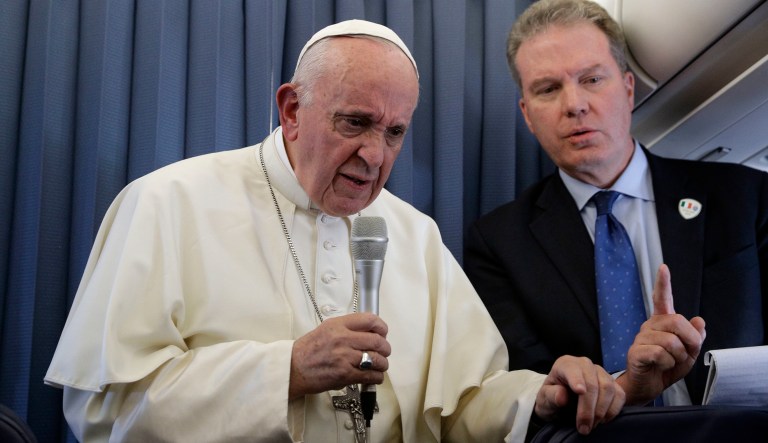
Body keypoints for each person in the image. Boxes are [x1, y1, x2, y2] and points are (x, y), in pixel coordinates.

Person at [45, 19, 624, 442]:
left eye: (395, 132)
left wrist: (537, 396)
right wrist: (288, 370)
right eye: (355, 123)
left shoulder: (414, 235)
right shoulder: (167, 203)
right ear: (292, 110)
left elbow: (465, 402)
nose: (374, 155)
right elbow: (103, 410)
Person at [464, 0, 767, 409]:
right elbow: (526, 392)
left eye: (591, 79)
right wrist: (623, 387)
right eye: (548, 89)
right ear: (528, 116)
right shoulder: (499, 242)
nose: (574, 104)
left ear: (627, 89)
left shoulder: (744, 196)